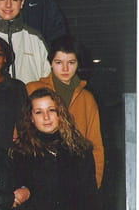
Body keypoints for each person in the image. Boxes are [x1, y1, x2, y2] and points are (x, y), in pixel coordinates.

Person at [26, 36, 104, 187]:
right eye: (59, 62)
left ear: (78, 63)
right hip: (38, 173)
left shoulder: (87, 99)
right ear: (50, 63)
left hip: (76, 176)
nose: (65, 69)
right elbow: (19, 134)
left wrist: (95, 182)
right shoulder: (31, 89)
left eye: (71, 62)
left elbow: (96, 145)